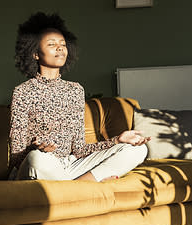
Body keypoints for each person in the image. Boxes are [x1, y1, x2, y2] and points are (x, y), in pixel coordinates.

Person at [10, 12, 150, 182]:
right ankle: (83, 185)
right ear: (35, 54)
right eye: (52, 44)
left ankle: (83, 183)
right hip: (41, 166)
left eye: (62, 44)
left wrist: (117, 140)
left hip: (70, 166)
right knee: (36, 159)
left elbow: (79, 149)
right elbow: (16, 158)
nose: (60, 48)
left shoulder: (75, 91)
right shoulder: (23, 92)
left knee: (137, 150)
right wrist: (35, 148)